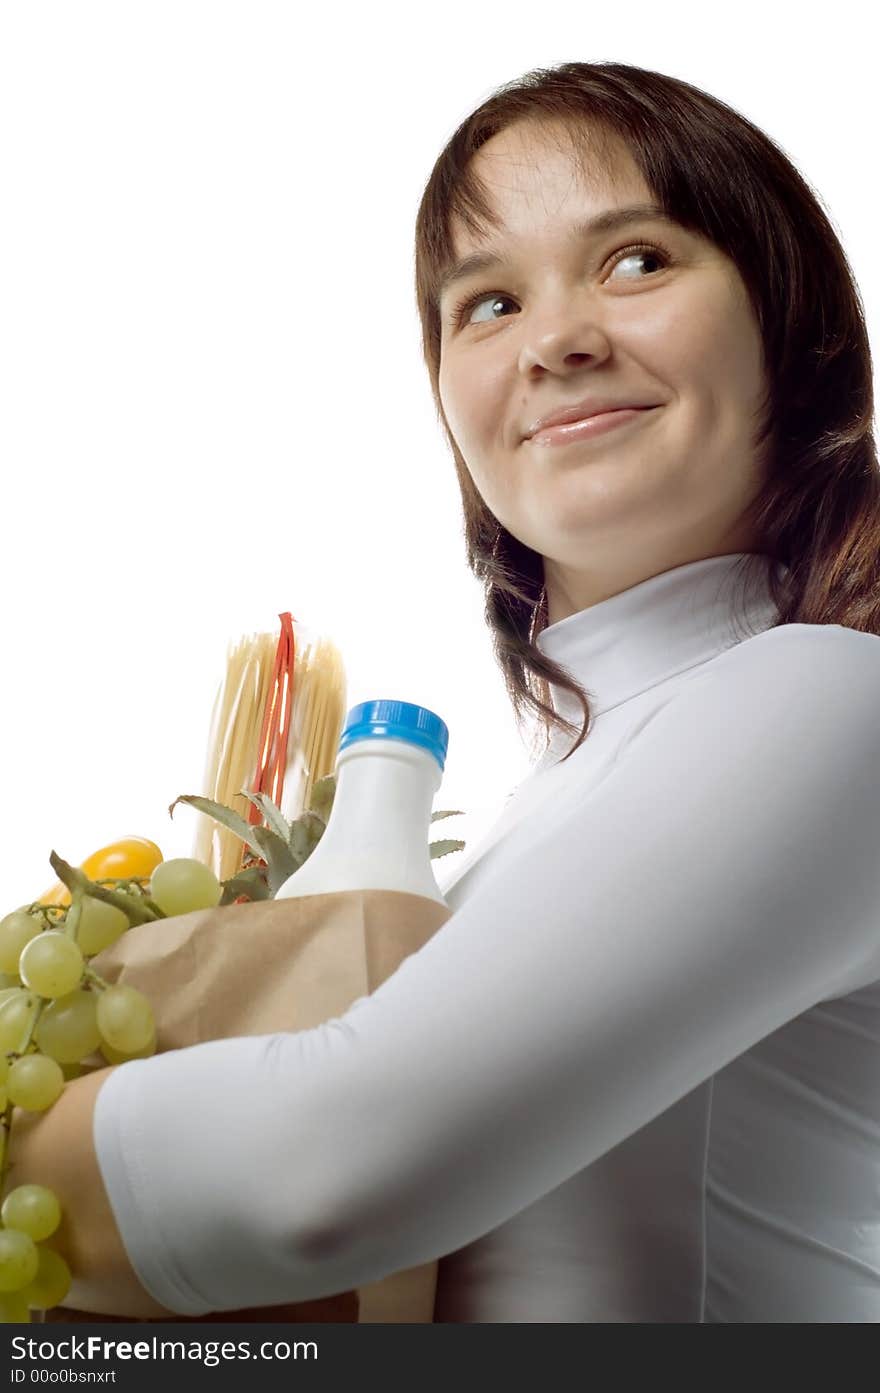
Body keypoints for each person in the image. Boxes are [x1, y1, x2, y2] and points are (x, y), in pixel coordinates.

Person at [12, 60, 880, 1323]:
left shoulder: (827, 701)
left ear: (794, 336)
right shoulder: (544, 820)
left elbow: (317, 1172)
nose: (555, 340)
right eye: (484, 303)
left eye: (635, 259)